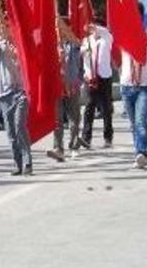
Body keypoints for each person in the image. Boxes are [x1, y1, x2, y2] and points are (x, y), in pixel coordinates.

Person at [0, 12, 32, 176]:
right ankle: (17, 164)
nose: (5, 28)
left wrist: (15, 49)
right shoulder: (0, 46)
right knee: (11, 132)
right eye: (2, 25)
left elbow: (25, 59)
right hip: (5, 94)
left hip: (21, 91)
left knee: (20, 126)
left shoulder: (21, 44)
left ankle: (27, 162)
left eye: (7, 25)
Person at [120, 17, 147, 169]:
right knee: (134, 124)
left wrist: (143, 43)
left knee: (140, 120)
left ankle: (142, 152)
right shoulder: (123, 33)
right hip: (126, 85)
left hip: (145, 85)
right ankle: (138, 151)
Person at [48, 16, 82, 161]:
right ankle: (58, 148)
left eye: (60, 28)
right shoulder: (51, 46)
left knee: (74, 118)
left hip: (72, 86)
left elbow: (78, 42)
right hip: (57, 87)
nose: (58, 30)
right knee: (57, 120)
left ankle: (74, 145)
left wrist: (62, 25)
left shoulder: (72, 45)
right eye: (56, 28)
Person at [80, 18, 115, 149]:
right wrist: (84, 51)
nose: (94, 30)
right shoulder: (87, 40)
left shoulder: (107, 38)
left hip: (104, 76)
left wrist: (94, 27)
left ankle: (108, 137)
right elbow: (82, 54)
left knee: (106, 108)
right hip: (91, 78)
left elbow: (106, 31)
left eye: (96, 27)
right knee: (89, 107)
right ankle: (86, 137)